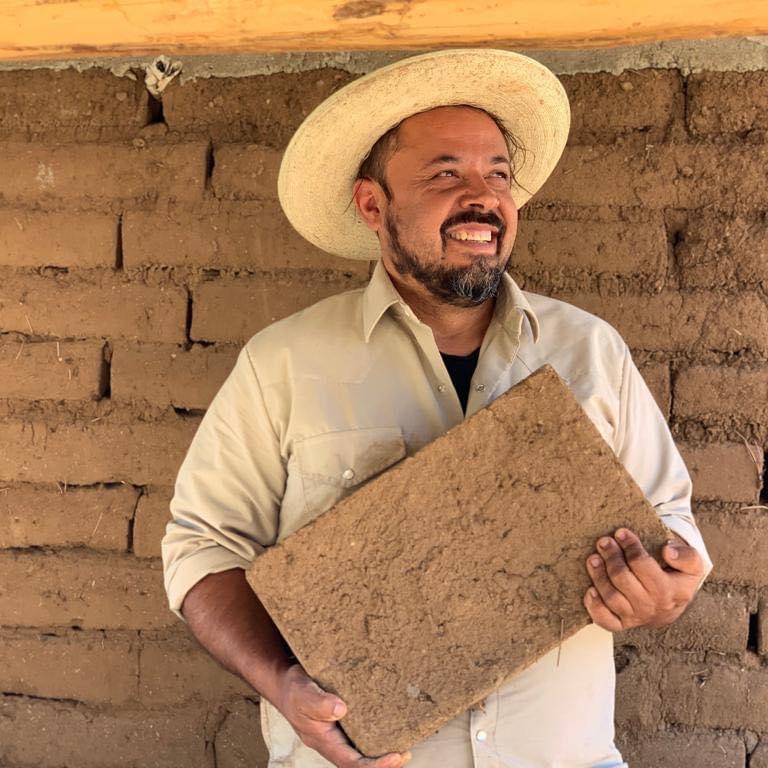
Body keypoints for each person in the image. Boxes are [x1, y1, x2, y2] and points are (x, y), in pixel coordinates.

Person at [162, 49, 712, 768]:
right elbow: (202, 549)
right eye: (446, 174)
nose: (483, 197)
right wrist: (283, 683)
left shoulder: (589, 351)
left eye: (499, 175)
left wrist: (663, 592)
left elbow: (672, 524)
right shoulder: (286, 363)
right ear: (372, 205)